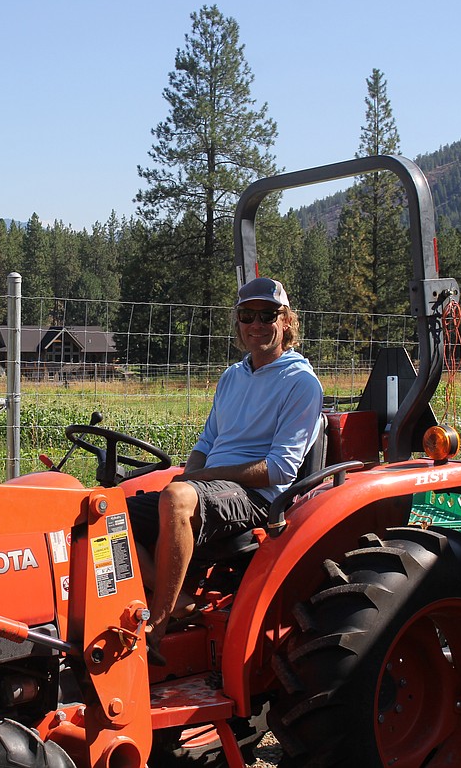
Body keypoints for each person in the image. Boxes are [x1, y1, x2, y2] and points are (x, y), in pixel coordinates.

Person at [128, 276, 324, 656]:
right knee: (106, 512)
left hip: (258, 496)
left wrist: (195, 482)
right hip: (210, 488)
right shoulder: (233, 377)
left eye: (267, 315)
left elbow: (281, 469)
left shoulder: (301, 382)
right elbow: (206, 443)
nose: (256, 324)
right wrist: (190, 476)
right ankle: (181, 598)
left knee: (178, 498)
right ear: (238, 321)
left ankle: (156, 625)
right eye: (247, 315)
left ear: (286, 321)